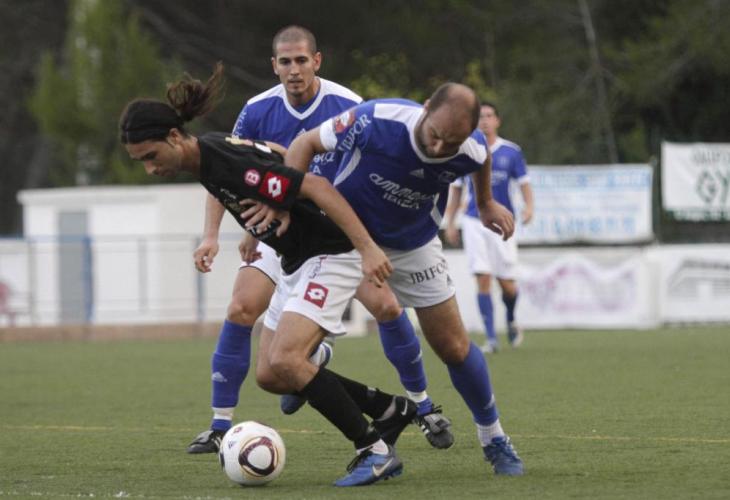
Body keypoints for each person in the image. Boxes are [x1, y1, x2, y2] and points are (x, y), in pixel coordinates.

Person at [119, 64, 414, 486]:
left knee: (287, 359)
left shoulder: (225, 162)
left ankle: (374, 450)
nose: (150, 168)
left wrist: (366, 248)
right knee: (271, 375)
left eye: (151, 157)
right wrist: (263, 219)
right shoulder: (209, 152)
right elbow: (275, 150)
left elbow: (316, 187)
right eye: (140, 162)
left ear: (173, 137)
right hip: (297, 259)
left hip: (330, 253)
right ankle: (388, 409)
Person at [189, 25, 451, 455]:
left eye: (301, 61)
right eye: (285, 62)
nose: (294, 70)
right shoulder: (256, 110)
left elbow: (370, 171)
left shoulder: (347, 104)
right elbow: (225, 170)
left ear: (317, 61)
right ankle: (220, 425)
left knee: (387, 306)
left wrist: (371, 235)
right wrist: (215, 235)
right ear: (274, 66)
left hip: (332, 234)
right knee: (241, 307)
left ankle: (423, 407)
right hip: (276, 229)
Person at [283, 83, 525, 476]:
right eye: (435, 134)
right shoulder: (376, 119)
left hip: (414, 242)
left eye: (451, 143)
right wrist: (284, 209)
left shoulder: (470, 146)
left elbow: (480, 158)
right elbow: (304, 143)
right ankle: (332, 383)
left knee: (454, 346)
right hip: (345, 239)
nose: (439, 147)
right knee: (277, 364)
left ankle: (493, 436)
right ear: (425, 108)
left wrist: (485, 203)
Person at [444, 102, 534, 353]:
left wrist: (529, 207)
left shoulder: (511, 152)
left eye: (489, 116)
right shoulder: (466, 149)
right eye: (480, 117)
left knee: (507, 284)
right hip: (474, 221)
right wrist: (451, 222)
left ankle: (511, 317)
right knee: (482, 277)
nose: (484, 120)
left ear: (497, 121)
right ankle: (491, 339)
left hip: (503, 222)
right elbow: (457, 189)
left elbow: (524, 183)